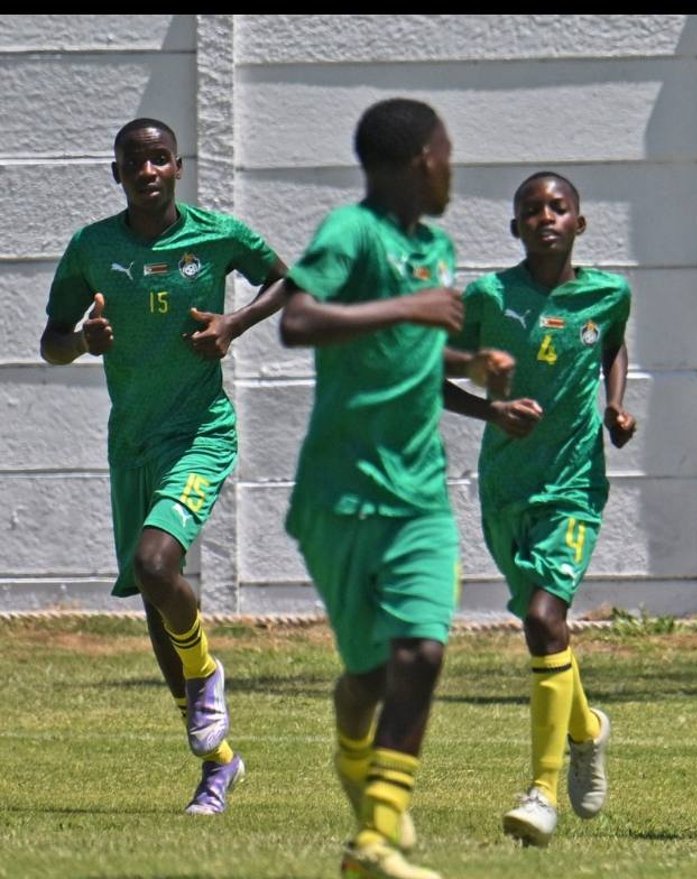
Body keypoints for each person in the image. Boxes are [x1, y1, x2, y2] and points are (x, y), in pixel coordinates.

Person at [280, 97, 510, 879]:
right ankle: (354, 755)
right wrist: (412, 305)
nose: (452, 171)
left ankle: (375, 837)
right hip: (340, 494)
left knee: (420, 651)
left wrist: (472, 366)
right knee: (369, 675)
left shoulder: (437, 246)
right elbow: (298, 320)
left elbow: (411, 348)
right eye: (447, 156)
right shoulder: (351, 232)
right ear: (421, 161)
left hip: (420, 495)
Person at [40, 117, 288, 815]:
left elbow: (285, 281)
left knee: (156, 563)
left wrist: (232, 325)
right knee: (156, 597)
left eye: (159, 158)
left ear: (179, 167)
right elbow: (51, 341)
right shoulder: (92, 248)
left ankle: (206, 675)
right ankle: (218, 764)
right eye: (133, 160)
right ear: (115, 172)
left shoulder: (216, 236)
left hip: (200, 432)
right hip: (133, 443)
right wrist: (83, 341)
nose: (147, 170)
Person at [445, 171, 634, 848]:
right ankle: (586, 728)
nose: (545, 217)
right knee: (542, 625)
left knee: (543, 618)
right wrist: (492, 409)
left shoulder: (608, 293)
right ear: (515, 227)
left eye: (558, 207)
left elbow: (611, 343)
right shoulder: (490, 298)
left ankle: (542, 793)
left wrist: (614, 406)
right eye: (531, 209)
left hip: (573, 488)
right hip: (505, 489)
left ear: (579, 223)